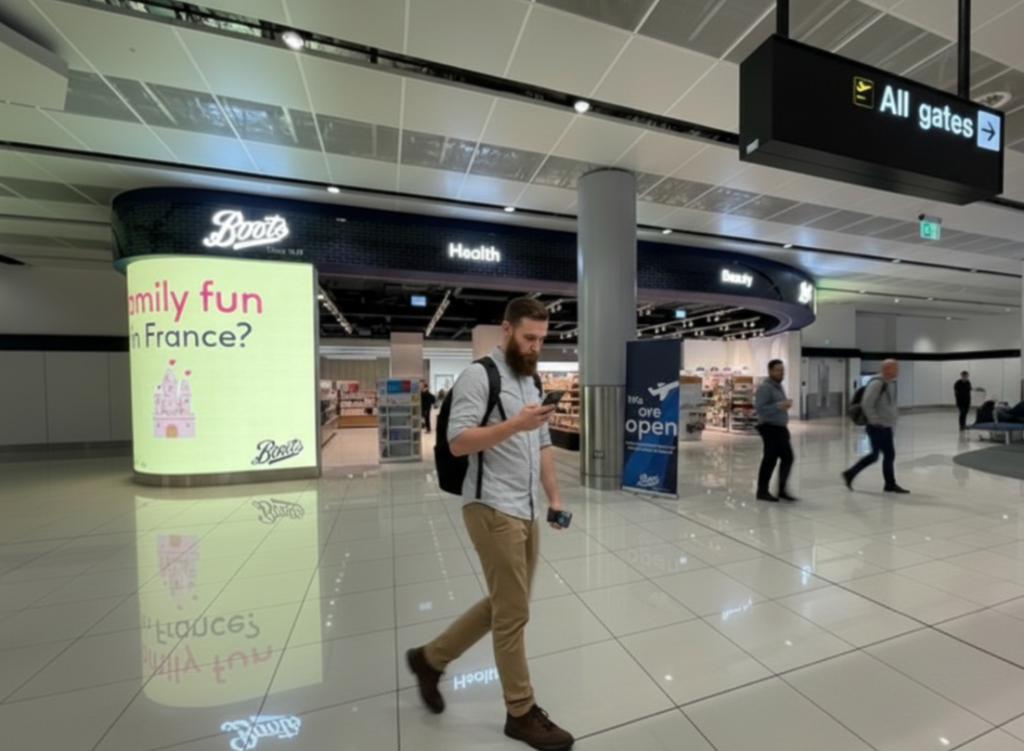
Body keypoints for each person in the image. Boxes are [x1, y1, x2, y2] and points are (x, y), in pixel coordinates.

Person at [406, 297, 574, 751]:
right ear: (506, 329)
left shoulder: (532, 380)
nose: (536, 346)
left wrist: (554, 498)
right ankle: (520, 710)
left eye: (541, 339)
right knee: (513, 612)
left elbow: (542, 443)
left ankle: (430, 659)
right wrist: (515, 424)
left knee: (506, 603)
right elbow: (459, 442)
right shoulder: (479, 376)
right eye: (529, 337)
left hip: (526, 508)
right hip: (490, 507)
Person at [842, 359, 909, 494]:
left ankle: (888, 483)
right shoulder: (877, 383)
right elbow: (867, 403)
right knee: (880, 455)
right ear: (887, 369)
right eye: (894, 368)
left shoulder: (886, 383)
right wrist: (875, 420)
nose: (897, 371)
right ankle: (851, 474)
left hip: (884, 425)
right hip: (878, 426)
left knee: (884, 455)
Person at [754, 359, 796, 502]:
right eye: (777, 370)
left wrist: (784, 405)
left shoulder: (778, 386)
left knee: (787, 458)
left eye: (782, 370)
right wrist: (779, 406)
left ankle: (781, 490)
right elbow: (760, 408)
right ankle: (762, 490)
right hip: (770, 428)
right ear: (770, 371)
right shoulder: (765, 387)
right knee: (770, 459)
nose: (780, 373)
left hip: (780, 427)